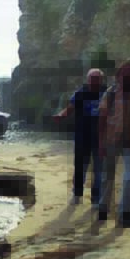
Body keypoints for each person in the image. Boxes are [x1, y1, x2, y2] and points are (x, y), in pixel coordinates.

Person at [98, 61, 130, 228]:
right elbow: (102, 118)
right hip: (111, 139)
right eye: (123, 75)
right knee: (108, 175)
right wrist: (100, 142)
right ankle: (103, 208)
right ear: (118, 75)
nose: (126, 78)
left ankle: (124, 213)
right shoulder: (110, 93)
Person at [52, 68, 107, 204]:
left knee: (99, 168)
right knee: (81, 166)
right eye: (91, 79)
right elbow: (70, 108)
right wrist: (61, 115)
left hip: (101, 137)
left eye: (97, 79)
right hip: (82, 135)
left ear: (101, 80)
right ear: (87, 80)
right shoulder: (81, 93)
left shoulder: (107, 93)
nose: (94, 82)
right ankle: (77, 193)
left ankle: (96, 198)